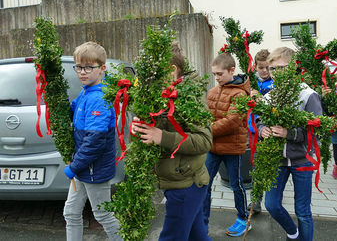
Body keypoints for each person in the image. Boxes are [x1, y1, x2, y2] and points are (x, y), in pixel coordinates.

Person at [132, 42, 212, 241]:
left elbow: (204, 141)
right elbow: (151, 133)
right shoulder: (157, 95)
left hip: (186, 185)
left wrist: (161, 137)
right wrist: (138, 129)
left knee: (171, 237)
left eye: (152, 74)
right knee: (197, 236)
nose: (145, 80)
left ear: (171, 70)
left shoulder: (189, 96)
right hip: (177, 181)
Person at [257, 47, 322, 241]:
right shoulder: (270, 96)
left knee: (302, 211)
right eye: (272, 69)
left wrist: (290, 133)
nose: (275, 73)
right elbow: (260, 120)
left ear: (293, 68)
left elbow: (317, 130)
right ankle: (293, 233)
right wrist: (263, 130)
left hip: (302, 160)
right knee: (272, 204)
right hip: (277, 160)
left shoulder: (308, 95)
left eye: (280, 68)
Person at [63, 41, 122, 241]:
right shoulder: (86, 92)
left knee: (103, 214)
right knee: (70, 213)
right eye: (79, 67)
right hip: (83, 168)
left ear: (102, 68)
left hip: (93, 170)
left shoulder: (99, 99)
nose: (82, 72)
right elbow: (75, 112)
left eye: (89, 67)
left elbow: (94, 141)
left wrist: (74, 166)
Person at [203, 53, 250, 237]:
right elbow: (206, 116)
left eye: (220, 74)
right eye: (214, 74)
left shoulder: (240, 94)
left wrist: (206, 130)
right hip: (213, 148)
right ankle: (202, 220)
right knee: (204, 184)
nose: (216, 77)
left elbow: (232, 121)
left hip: (232, 148)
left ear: (232, 71)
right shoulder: (213, 91)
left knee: (236, 184)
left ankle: (243, 219)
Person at [247, 49, 273, 213]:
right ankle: (256, 201)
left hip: (270, 130)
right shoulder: (251, 83)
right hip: (254, 130)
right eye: (261, 67)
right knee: (256, 165)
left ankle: (272, 195)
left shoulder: (275, 83)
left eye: (267, 67)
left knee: (269, 166)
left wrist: (261, 100)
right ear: (255, 67)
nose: (264, 71)